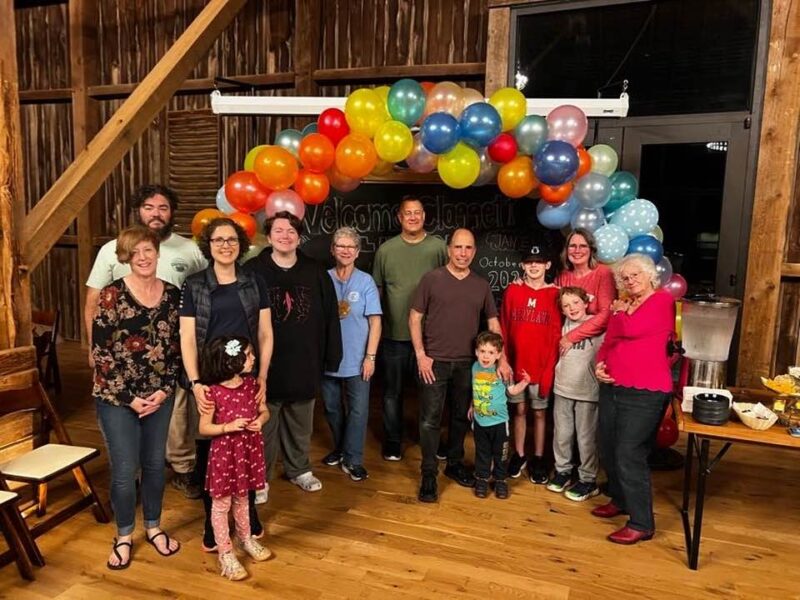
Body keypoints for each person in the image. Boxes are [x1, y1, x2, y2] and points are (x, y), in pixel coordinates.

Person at [85, 184, 207, 499]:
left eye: (163, 207)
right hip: (121, 356)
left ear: (171, 212)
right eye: (149, 207)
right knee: (125, 418)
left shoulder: (189, 250)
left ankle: (181, 468)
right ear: (138, 210)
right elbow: (93, 300)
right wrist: (92, 349)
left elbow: (203, 291)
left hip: (167, 355)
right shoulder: (111, 248)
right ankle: (133, 475)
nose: (156, 213)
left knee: (175, 414)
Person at [179, 217, 273, 552]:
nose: (225, 246)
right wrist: (195, 383)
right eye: (218, 240)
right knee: (210, 452)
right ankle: (212, 520)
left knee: (246, 442)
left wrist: (261, 375)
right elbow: (187, 338)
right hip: (209, 380)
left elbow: (264, 332)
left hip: (245, 377)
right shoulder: (194, 285)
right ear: (209, 245)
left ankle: (248, 516)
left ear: (240, 244)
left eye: (231, 240)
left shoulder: (253, 281)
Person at [92, 226, 182, 570]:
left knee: (156, 465)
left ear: (158, 253)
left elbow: (178, 349)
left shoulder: (174, 295)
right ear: (126, 257)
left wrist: (164, 390)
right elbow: (101, 354)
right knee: (126, 469)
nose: (143, 257)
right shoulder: (111, 295)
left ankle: (155, 527)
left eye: (148, 250)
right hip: (118, 399)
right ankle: (125, 535)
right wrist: (131, 398)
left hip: (160, 395)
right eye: (135, 252)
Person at [410, 228, 510, 503]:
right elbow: (415, 317)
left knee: (459, 417)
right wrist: (420, 354)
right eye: (458, 247)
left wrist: (503, 360)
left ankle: (454, 463)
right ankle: (428, 474)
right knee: (430, 420)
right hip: (434, 362)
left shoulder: (480, 284)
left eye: (468, 248)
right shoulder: (432, 279)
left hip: (468, 364)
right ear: (449, 250)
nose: (463, 253)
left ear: (474, 252)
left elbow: (492, 323)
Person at [244, 211, 342, 493]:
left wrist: (331, 355)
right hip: (266, 363)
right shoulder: (253, 270)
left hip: (305, 358)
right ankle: (259, 479)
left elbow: (330, 316)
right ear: (269, 235)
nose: (285, 236)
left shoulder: (315, 271)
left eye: (291, 231)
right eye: (278, 230)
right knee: (264, 423)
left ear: (299, 237)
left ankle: (299, 469)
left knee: (301, 421)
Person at [593, 254, 676, 545]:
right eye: (625, 278)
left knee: (630, 453)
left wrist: (618, 312)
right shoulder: (625, 306)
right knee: (607, 446)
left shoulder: (662, 301)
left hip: (646, 391)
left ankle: (642, 523)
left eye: (635, 275)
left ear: (650, 276)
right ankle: (620, 499)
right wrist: (599, 366)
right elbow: (610, 340)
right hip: (614, 387)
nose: (630, 281)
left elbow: (631, 329)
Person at [373, 198, 447, 461]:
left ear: (424, 215)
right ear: (399, 218)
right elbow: (378, 293)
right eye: (408, 213)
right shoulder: (386, 250)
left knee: (431, 394)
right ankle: (393, 442)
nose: (413, 217)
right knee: (392, 393)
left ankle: (431, 441)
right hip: (394, 337)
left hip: (430, 338)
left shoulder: (438, 247)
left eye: (417, 213)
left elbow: (450, 282)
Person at [198, 336, 272, 581]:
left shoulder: (252, 385)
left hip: (247, 454)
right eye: (249, 355)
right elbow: (204, 428)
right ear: (232, 361)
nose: (253, 358)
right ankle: (226, 553)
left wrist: (260, 421)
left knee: (243, 498)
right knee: (221, 506)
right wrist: (228, 427)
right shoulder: (213, 392)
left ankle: (246, 538)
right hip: (224, 457)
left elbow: (264, 411)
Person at [320, 227, 382, 481]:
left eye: (350, 247)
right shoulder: (322, 278)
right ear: (332, 250)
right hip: (328, 358)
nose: (345, 250)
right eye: (340, 246)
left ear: (357, 252)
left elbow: (375, 322)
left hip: (358, 360)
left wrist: (370, 357)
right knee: (332, 408)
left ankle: (353, 459)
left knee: (358, 410)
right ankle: (340, 448)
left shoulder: (365, 281)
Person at [501, 245, 561, 484]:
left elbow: (557, 334)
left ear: (547, 265)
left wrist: (549, 369)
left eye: (539, 262)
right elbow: (504, 327)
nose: (534, 266)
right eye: (529, 262)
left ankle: (537, 457)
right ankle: (520, 454)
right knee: (519, 410)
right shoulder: (513, 291)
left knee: (539, 412)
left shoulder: (555, 294)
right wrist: (503, 359)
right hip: (516, 364)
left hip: (541, 365)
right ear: (523, 266)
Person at [547, 286, 604, 502]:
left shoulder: (597, 325)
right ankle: (563, 471)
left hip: (588, 391)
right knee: (562, 434)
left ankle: (588, 479)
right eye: (566, 305)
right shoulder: (562, 325)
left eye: (576, 303)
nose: (572, 308)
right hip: (562, 387)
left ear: (586, 302)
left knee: (586, 438)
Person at [470, 332, 530, 500]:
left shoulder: (502, 371)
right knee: (482, 452)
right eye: (482, 351)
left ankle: (500, 480)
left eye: (490, 352)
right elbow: (474, 389)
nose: (486, 356)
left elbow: (512, 391)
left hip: (499, 422)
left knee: (500, 453)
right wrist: (472, 405)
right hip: (480, 421)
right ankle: (481, 479)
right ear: (476, 352)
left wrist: (524, 383)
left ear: (498, 354)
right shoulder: (474, 368)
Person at [555, 228, 616, 357]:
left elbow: (606, 314)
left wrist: (571, 337)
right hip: (568, 347)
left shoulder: (603, 273)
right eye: (572, 246)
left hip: (594, 344)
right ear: (567, 250)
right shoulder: (563, 276)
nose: (577, 251)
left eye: (583, 246)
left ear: (591, 250)